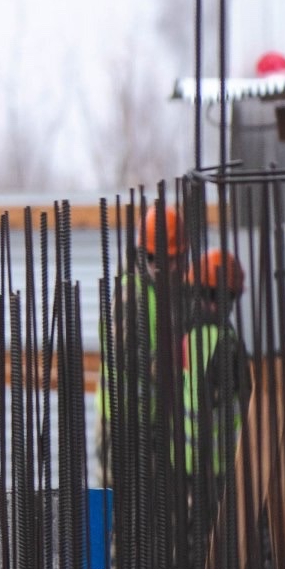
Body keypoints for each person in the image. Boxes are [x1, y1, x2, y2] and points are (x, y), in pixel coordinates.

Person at [96, 204, 249, 547]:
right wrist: (174, 358)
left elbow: (200, 322)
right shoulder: (130, 293)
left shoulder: (178, 288)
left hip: (155, 424)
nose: (173, 267)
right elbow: (128, 360)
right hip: (121, 421)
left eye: (179, 258)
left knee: (154, 523)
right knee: (116, 510)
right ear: (145, 254)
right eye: (162, 260)